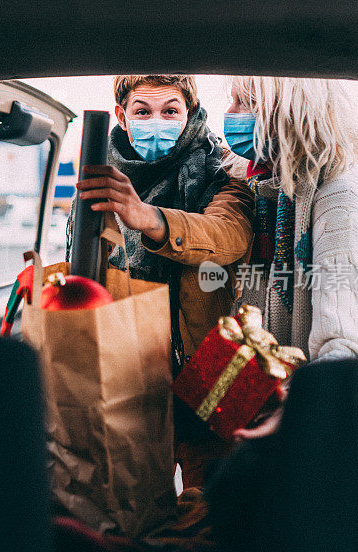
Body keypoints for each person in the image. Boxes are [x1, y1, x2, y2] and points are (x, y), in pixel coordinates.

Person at [66, 74, 255, 488]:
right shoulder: (100, 176)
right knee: (131, 505)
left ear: (188, 114)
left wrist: (149, 218)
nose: (157, 120)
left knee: (211, 509)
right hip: (132, 370)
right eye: (142, 111)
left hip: (215, 366)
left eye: (170, 110)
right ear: (122, 116)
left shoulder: (224, 169)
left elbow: (230, 234)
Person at [223, 76, 358, 361]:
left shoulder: (340, 194)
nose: (230, 112)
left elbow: (343, 343)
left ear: (289, 113)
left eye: (246, 103)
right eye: (232, 100)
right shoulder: (271, 192)